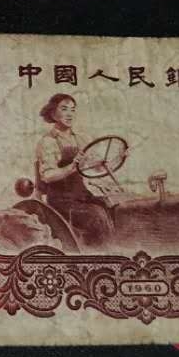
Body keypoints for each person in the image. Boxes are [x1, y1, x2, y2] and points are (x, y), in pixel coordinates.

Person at [34, 94, 115, 249]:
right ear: (53, 114)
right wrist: (72, 167)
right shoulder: (48, 142)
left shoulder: (82, 138)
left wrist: (115, 158)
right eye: (64, 109)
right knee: (97, 216)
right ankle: (100, 254)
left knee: (113, 207)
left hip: (82, 196)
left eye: (72, 110)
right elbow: (48, 176)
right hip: (61, 201)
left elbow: (97, 166)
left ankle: (114, 250)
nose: (69, 114)